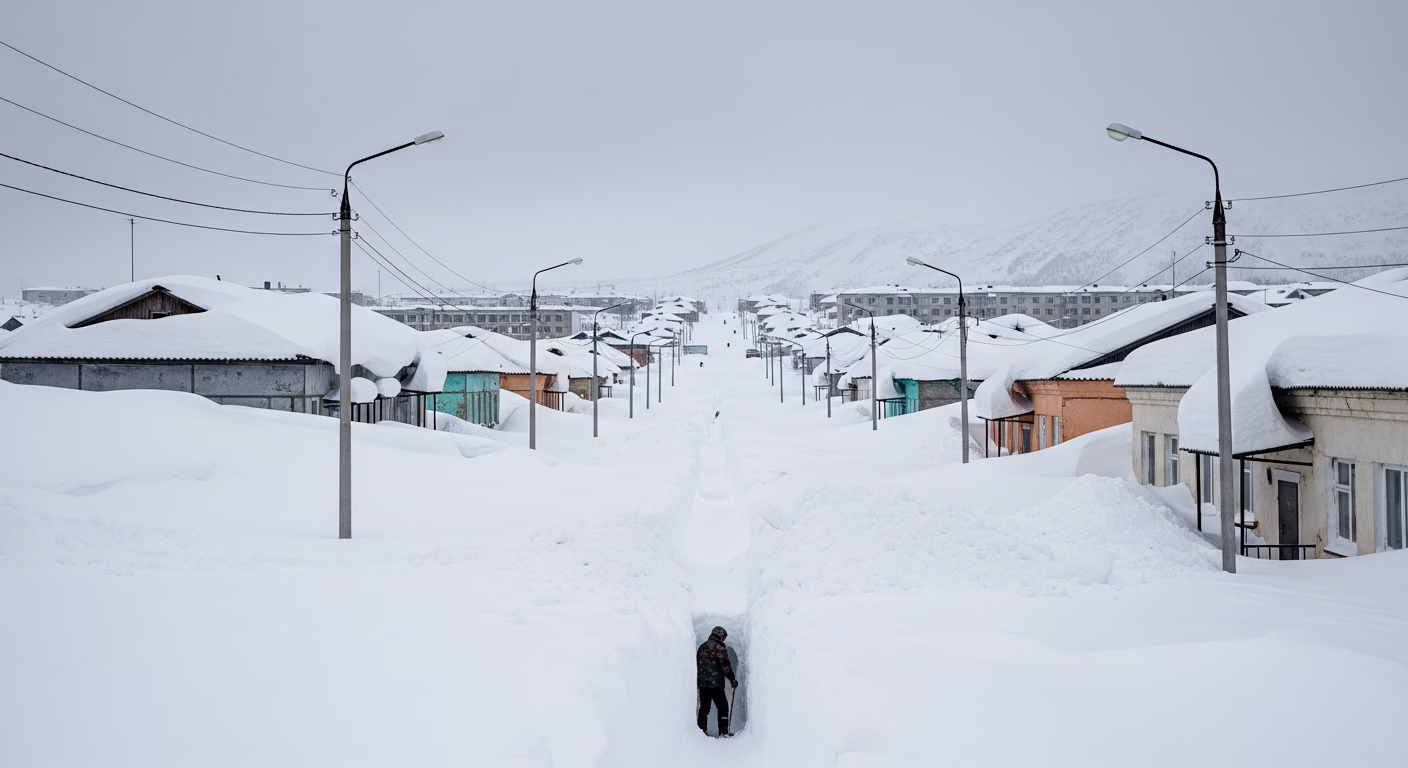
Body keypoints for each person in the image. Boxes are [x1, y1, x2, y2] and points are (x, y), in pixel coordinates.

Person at [696, 626, 738, 736]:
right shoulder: (719, 647)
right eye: (723, 637)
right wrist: (732, 679)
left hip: (702, 684)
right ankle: (723, 732)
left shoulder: (702, 646)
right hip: (716, 685)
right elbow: (725, 666)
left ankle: (701, 732)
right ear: (719, 635)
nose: (724, 639)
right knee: (723, 707)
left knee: (704, 707)